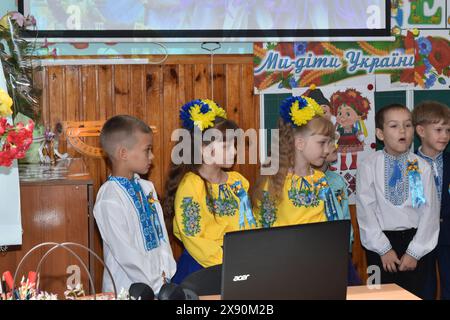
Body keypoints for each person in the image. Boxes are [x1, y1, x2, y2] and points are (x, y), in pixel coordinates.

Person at [163, 99, 257, 284]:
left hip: (240, 263)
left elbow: (249, 224)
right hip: (204, 267)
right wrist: (226, 263)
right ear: (203, 148)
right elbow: (193, 237)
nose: (233, 152)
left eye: (234, 145)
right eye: (226, 146)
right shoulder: (191, 185)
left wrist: (252, 256)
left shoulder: (238, 182)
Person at [356, 104, 440, 299]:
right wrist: (383, 249)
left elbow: (428, 212)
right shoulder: (369, 166)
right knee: (381, 295)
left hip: (417, 244)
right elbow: (366, 212)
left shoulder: (419, 167)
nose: (402, 131)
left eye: (408, 125)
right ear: (380, 133)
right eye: (394, 126)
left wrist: (415, 252)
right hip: (381, 246)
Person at [94, 115, 176, 294]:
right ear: (123, 153)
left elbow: (161, 236)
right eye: (147, 150)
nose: (152, 156)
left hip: (161, 285)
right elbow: (126, 255)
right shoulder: (109, 198)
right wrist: (156, 286)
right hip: (127, 290)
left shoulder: (147, 189)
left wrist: (166, 276)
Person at [253, 95, 341, 228]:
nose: (327, 150)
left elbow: (332, 224)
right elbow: (263, 231)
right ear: (300, 143)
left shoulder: (320, 180)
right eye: (322, 142)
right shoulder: (274, 181)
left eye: (329, 142)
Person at [413, 101, 450, 299]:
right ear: (421, 130)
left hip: (448, 237)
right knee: (423, 288)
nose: (444, 135)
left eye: (447, 130)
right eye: (438, 129)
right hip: (420, 237)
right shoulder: (410, 164)